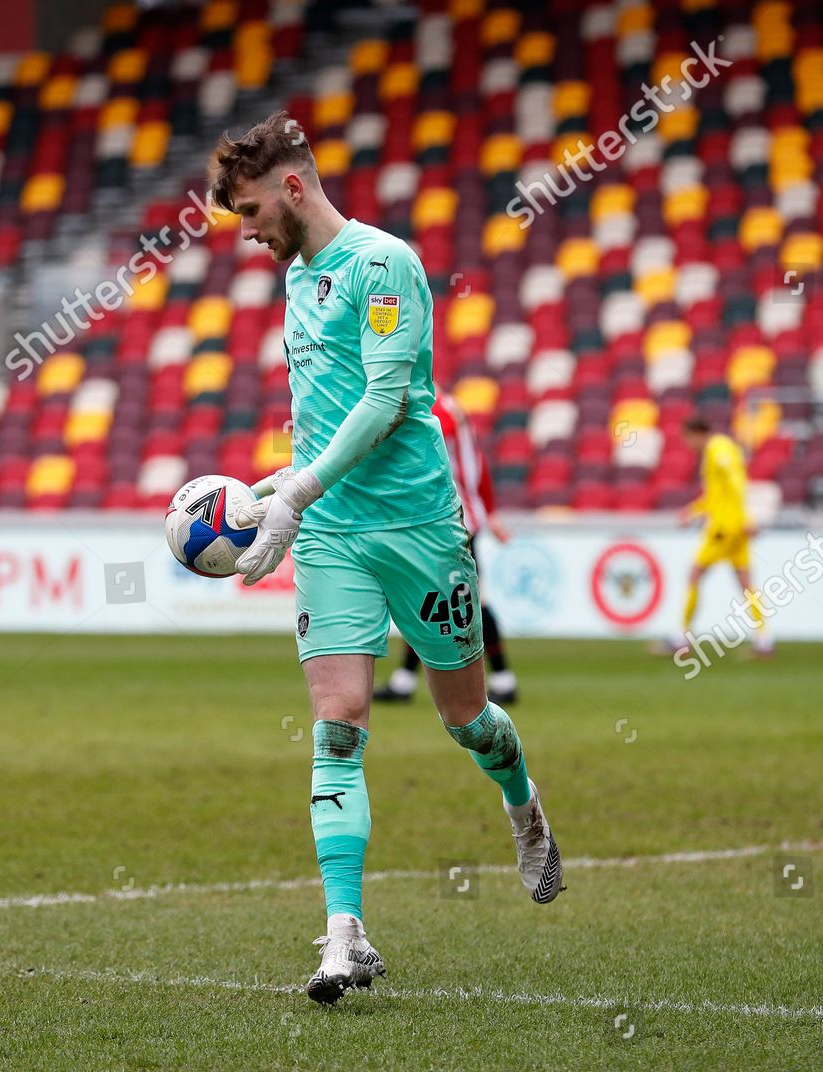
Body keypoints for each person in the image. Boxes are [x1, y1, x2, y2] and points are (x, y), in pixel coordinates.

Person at [210, 112, 563, 1005]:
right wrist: (276, 489)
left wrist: (295, 493)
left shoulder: (383, 265)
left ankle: (523, 808)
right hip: (332, 534)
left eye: (252, 209)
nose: (247, 231)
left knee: (467, 718)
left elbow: (386, 402)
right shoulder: (296, 278)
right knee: (339, 722)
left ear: (295, 187)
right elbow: (325, 421)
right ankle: (343, 933)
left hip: (417, 527)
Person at [372, 387, 518, 704]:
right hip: (443, 518)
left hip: (450, 519)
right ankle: (405, 680)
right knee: (430, 597)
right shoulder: (444, 406)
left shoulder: (434, 408)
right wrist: (488, 510)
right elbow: (476, 464)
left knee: (468, 601)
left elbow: (454, 465)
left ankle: (503, 680)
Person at [669, 415, 772, 657]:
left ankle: (681, 638)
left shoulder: (718, 449)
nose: (687, 445)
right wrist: (693, 511)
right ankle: (765, 642)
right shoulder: (717, 450)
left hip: (725, 527)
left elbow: (736, 482)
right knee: (746, 583)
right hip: (735, 525)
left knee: (694, 574)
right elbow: (717, 496)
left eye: (687, 439)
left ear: (696, 434)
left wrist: (746, 518)